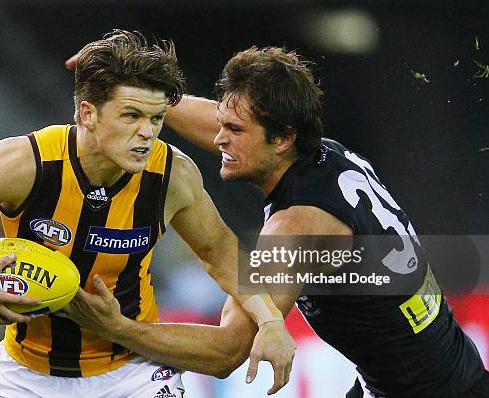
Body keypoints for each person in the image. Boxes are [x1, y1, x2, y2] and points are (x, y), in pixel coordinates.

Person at [63, 46, 489, 397]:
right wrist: (143, 95)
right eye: (222, 123)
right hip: (439, 374)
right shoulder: (326, 154)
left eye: (234, 129)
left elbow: (227, 350)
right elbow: (218, 119)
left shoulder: (295, 231)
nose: (219, 139)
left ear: (283, 137)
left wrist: (115, 327)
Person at [0, 31, 294, 398]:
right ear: (88, 114)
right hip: (28, 376)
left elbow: (219, 251)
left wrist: (270, 319)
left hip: (133, 373)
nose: (147, 133)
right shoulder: (28, 163)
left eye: (155, 119)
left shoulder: (171, 175)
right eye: (131, 116)